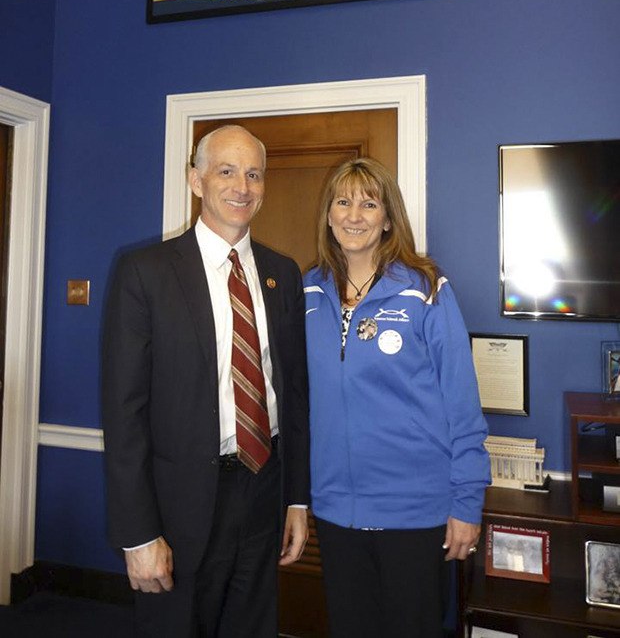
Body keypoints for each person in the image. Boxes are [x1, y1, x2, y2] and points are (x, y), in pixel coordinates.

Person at [102, 125, 310, 637]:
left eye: (254, 174)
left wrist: (297, 500)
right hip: (179, 507)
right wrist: (138, 535)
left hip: (264, 493)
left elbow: (296, 396)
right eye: (226, 170)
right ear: (196, 181)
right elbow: (123, 412)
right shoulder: (144, 272)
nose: (242, 186)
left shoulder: (282, 275)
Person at [304, 157, 490, 638]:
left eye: (370, 203)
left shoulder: (425, 289)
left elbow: (463, 407)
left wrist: (467, 504)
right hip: (335, 512)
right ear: (327, 214)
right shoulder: (305, 292)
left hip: (415, 513)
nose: (354, 215)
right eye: (342, 202)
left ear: (389, 218)